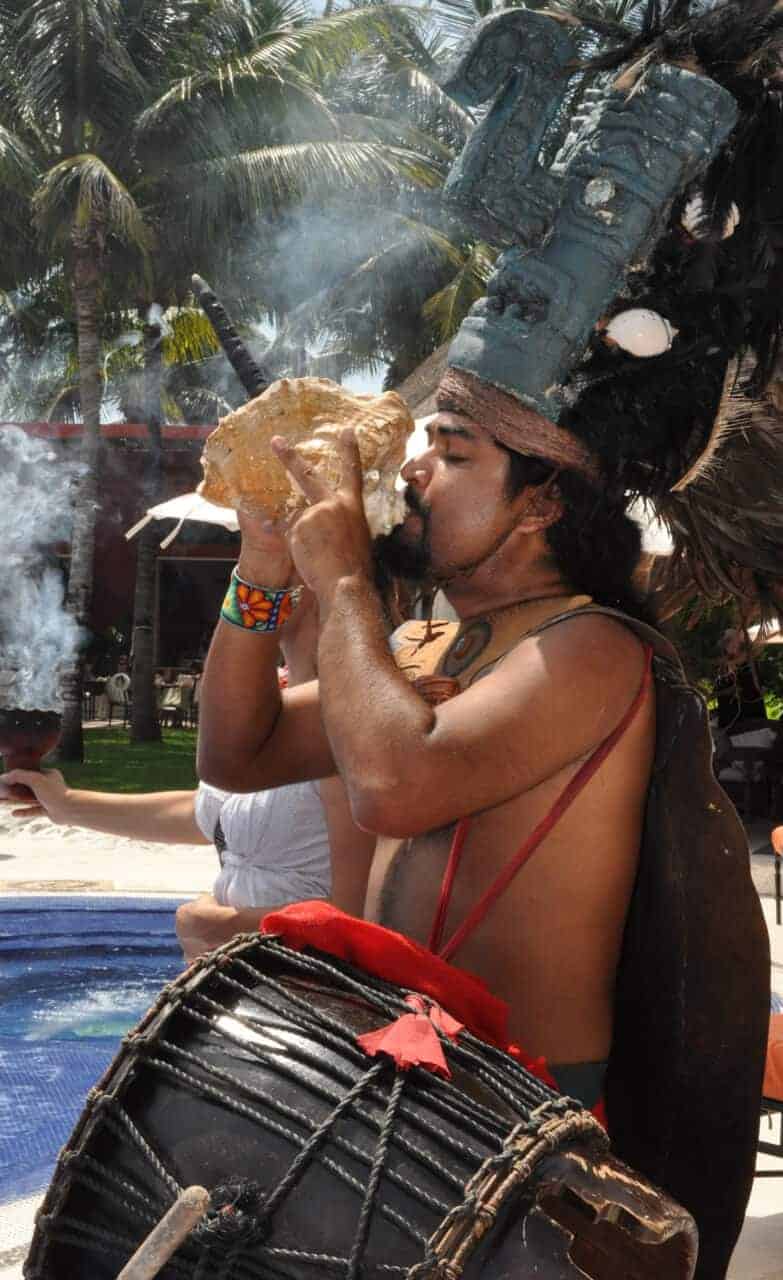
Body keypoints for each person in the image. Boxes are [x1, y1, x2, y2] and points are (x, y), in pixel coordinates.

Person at [195, 7, 783, 1275]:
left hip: (530, 1128)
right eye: (422, 439)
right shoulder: (422, 652)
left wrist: (342, 570)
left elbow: (401, 778)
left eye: (450, 450)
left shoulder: (591, 654)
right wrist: (258, 582)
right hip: (417, 1092)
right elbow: (238, 752)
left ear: (543, 501)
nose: (409, 462)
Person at [0, 586, 375, 963]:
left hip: (307, 986)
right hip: (239, 975)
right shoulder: (274, 697)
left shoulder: (350, 712)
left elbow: (358, 916)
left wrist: (221, 926)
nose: (249, 583)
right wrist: (67, 805)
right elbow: (208, 814)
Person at [715, 627, 768, 730]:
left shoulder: (749, 664)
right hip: (729, 723)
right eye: (727, 643)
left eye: (732, 642)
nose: (730, 646)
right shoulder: (723, 667)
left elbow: (751, 689)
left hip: (750, 720)